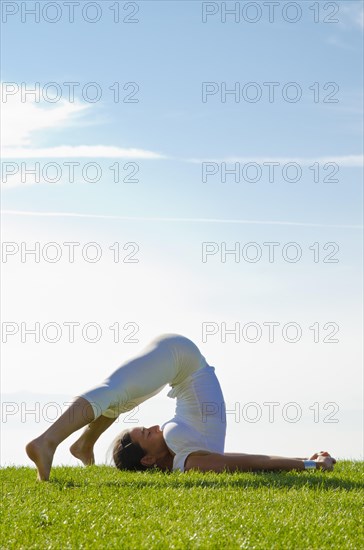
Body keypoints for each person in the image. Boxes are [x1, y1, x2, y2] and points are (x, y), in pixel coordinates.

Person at [26, 334, 336, 481]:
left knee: (121, 398)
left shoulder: (179, 452)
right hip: (181, 360)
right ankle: (48, 441)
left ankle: (84, 444)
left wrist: (306, 461)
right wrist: (309, 463)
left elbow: (254, 461)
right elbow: (252, 461)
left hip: (180, 365)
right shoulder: (190, 462)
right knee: (115, 391)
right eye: (146, 433)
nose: (153, 426)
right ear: (148, 459)